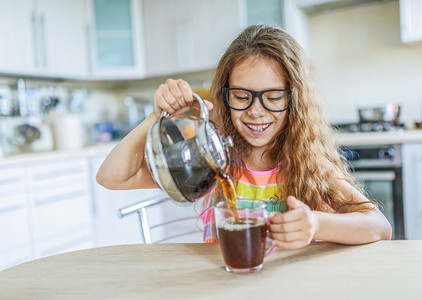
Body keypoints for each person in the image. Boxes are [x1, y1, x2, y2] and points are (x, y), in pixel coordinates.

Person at [97, 25, 392, 249]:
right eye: (241, 96)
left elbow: (379, 227)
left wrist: (316, 224)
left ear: (296, 100)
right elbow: (111, 177)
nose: (256, 111)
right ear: (226, 97)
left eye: (273, 97)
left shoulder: (308, 167)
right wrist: (157, 115)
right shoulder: (210, 162)